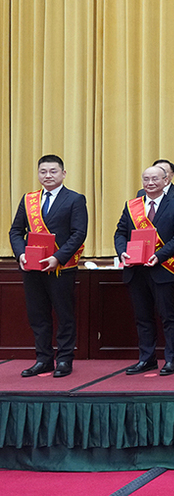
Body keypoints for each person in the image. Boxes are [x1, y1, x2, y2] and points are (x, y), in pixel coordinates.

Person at [8, 154, 88, 378]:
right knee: (38, 315)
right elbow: (16, 231)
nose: (48, 175)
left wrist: (58, 258)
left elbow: (78, 233)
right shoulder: (29, 200)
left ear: (63, 173)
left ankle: (64, 359)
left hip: (61, 268)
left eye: (53, 171)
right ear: (38, 174)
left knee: (64, 315)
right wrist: (20, 254)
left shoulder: (75, 199)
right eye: (43, 171)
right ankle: (43, 359)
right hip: (32, 268)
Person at [114, 165, 174, 376]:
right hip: (136, 270)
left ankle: (172, 359)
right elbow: (120, 233)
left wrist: (161, 255)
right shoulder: (132, 206)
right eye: (146, 179)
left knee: (168, 317)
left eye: (155, 179)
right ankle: (146, 359)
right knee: (143, 317)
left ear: (166, 180)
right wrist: (122, 252)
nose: (150, 183)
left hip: (163, 269)